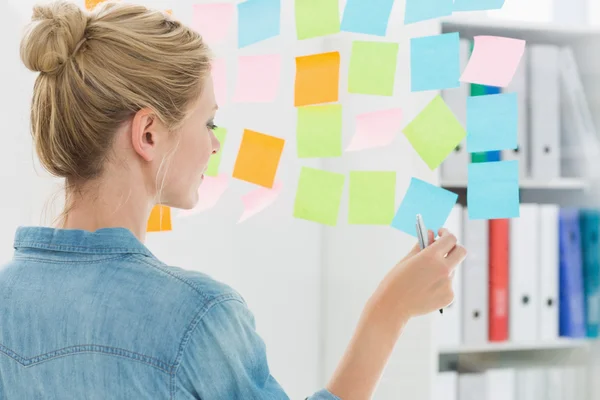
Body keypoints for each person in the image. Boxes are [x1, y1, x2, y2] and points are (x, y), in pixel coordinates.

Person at [0, 1, 467, 399]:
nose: (215, 145)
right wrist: (389, 311)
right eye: (208, 123)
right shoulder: (195, 316)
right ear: (147, 133)